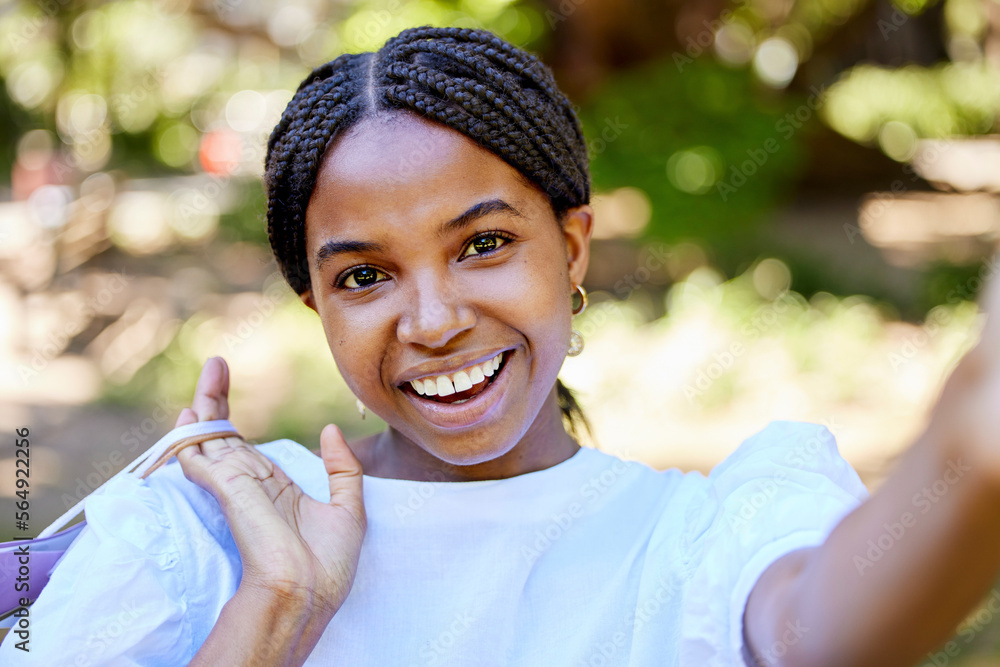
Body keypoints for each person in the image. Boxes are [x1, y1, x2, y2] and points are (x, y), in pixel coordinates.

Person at [3, 25, 1000, 667]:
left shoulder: (698, 540)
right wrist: (274, 612)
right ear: (316, 306)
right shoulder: (211, 531)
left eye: (483, 244)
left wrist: (972, 440)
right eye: (364, 275)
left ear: (571, 247)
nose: (432, 320)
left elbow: (822, 632)